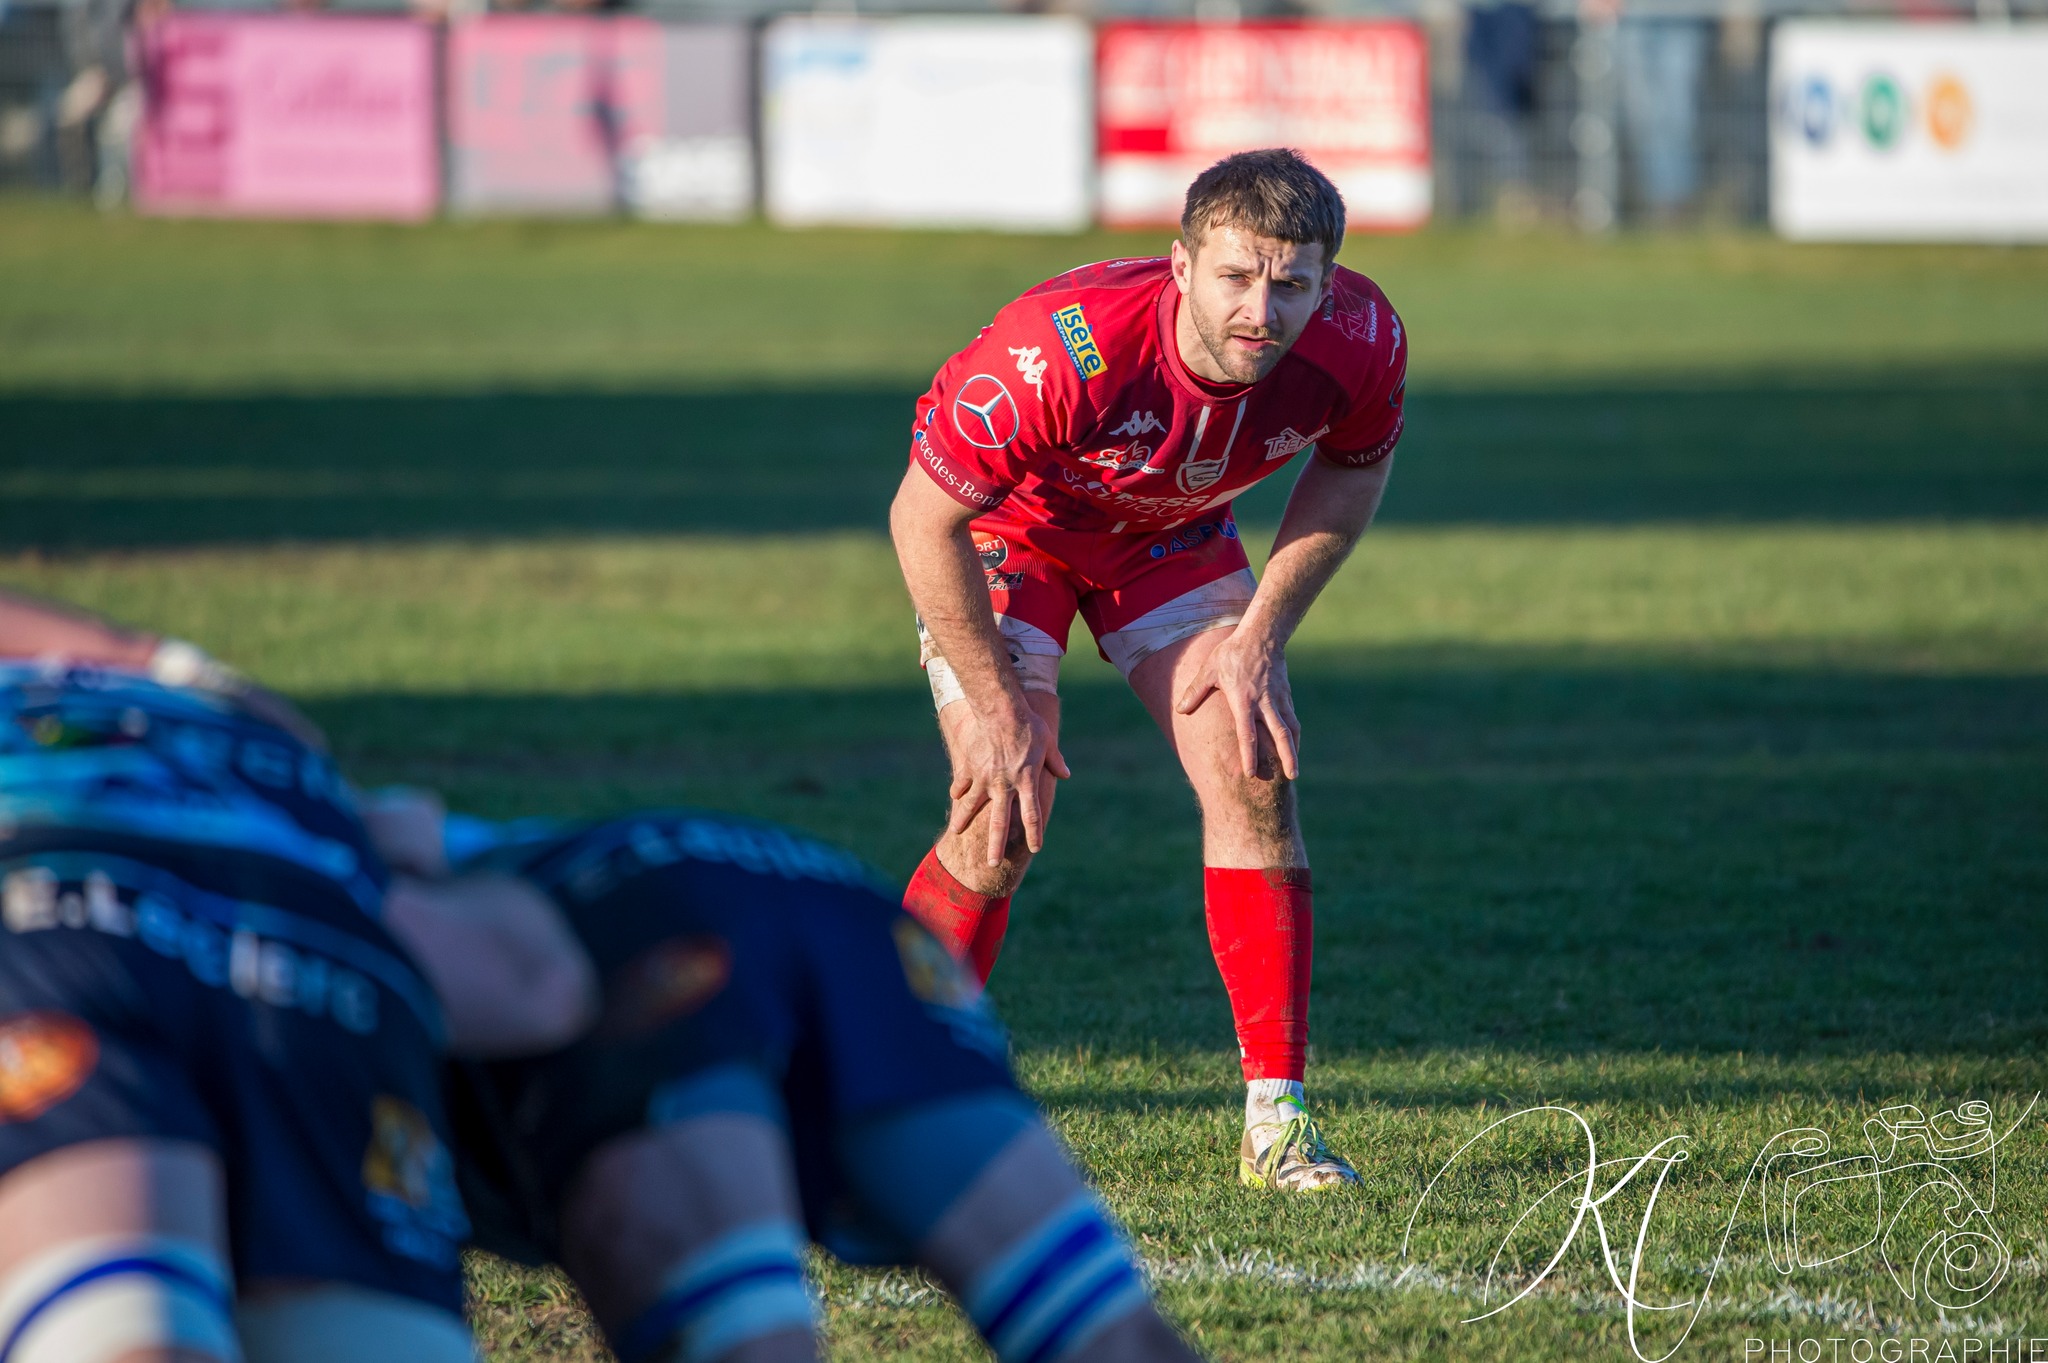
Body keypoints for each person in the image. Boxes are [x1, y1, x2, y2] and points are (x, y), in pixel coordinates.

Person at [889, 149, 1407, 1193]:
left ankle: (1277, 1123)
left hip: (1162, 537)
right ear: (1180, 264)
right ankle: (884, 1100)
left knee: (1253, 770)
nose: (1262, 308)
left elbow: (1351, 476)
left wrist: (1260, 632)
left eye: (1291, 282)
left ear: (1326, 279)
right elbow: (921, 517)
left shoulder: (1359, 339)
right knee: (1000, 813)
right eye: (1234, 276)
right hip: (1006, 537)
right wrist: (998, 708)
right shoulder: (1055, 354)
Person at [365, 793, 1205, 1363]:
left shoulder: (288, 886)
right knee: (1112, 1335)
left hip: (639, 925)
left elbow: (529, 988)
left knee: (748, 1341)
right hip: (831, 899)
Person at [0, 589, 596, 1363]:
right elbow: (536, 986)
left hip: (56, 938)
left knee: (123, 1333)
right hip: (321, 968)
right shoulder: (269, 752)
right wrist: (413, 855)